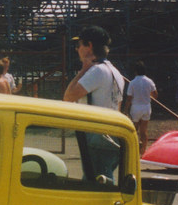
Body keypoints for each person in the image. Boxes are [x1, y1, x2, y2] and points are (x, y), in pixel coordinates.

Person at [63, 25, 125, 179]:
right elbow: (118, 105)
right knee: (103, 180)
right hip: (111, 135)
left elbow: (68, 96)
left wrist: (83, 69)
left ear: (89, 46)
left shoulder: (96, 71)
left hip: (96, 137)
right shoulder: (115, 71)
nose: (77, 49)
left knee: (95, 184)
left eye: (79, 45)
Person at [123, 61, 158, 154]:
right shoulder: (149, 81)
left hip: (136, 107)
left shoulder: (133, 83)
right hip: (146, 107)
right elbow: (155, 94)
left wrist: (125, 111)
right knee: (144, 130)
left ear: (135, 71)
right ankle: (143, 151)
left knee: (134, 130)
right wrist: (147, 95)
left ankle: (133, 149)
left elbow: (129, 98)